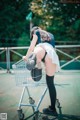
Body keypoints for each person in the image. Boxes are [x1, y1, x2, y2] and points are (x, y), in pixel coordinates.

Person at [23, 26, 60, 116]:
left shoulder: (36, 32)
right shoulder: (50, 35)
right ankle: (52, 109)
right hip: (52, 56)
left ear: (32, 33)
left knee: (36, 50)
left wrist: (26, 57)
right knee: (50, 83)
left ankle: (33, 59)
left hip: (41, 51)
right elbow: (51, 50)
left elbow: (32, 47)